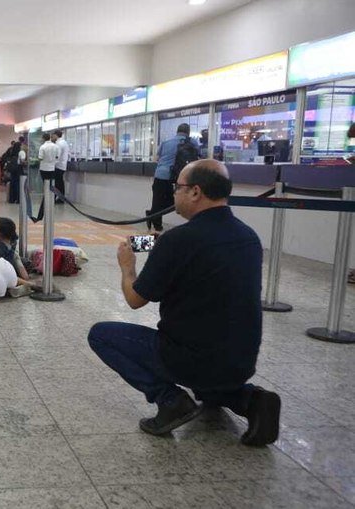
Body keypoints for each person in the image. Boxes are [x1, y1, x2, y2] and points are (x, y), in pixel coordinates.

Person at [88, 160, 281, 446]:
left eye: (177, 187)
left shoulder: (178, 242)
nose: (173, 193)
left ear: (195, 192)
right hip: (241, 361)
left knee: (101, 335)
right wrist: (164, 245)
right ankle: (250, 399)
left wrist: (127, 267)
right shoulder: (248, 237)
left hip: (190, 359)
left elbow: (134, 300)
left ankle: (170, 400)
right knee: (208, 374)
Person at [149, 123, 198, 232]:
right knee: (176, 202)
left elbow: (156, 158)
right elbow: (199, 157)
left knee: (157, 201)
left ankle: (156, 225)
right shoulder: (192, 143)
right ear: (188, 132)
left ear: (177, 131)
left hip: (161, 175)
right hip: (180, 177)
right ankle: (152, 217)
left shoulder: (166, 142)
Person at [0, 217, 36, 292]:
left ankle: (27, 285)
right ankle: (24, 284)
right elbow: (24, 275)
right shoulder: (12, 247)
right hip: (11, 271)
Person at [52, 129, 70, 203]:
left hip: (58, 165)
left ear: (56, 135)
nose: (52, 137)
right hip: (62, 165)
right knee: (60, 182)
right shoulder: (64, 142)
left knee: (58, 183)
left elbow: (57, 156)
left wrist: (52, 163)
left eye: (53, 136)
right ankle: (60, 198)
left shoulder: (59, 144)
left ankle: (59, 198)